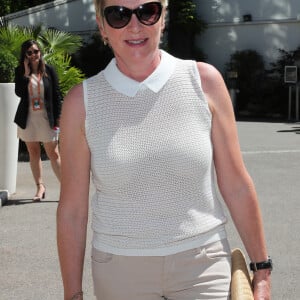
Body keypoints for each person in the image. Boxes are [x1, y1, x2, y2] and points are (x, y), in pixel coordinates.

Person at [57, 1, 272, 299]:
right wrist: (72, 293)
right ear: (101, 25)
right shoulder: (82, 103)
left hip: (204, 266)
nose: (135, 25)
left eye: (147, 11)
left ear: (163, 16)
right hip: (119, 271)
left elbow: (236, 184)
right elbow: (73, 211)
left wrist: (261, 269)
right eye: (118, 14)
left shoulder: (204, 81)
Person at [14, 39, 62, 201]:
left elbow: (57, 95)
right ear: (25, 55)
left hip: (46, 119)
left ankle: (67, 188)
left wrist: (58, 118)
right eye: (29, 52)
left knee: (53, 154)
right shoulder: (20, 71)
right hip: (28, 119)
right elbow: (19, 93)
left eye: (36, 51)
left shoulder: (49, 70)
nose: (34, 55)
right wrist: (26, 74)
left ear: (40, 52)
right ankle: (40, 187)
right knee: (33, 152)